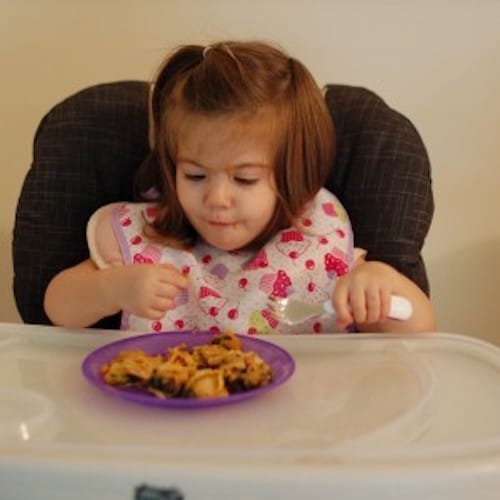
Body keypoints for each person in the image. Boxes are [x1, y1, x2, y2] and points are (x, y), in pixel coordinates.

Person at [44, 40, 436, 334]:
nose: (216, 199)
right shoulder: (145, 239)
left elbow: (421, 334)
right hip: (166, 428)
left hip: (296, 435)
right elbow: (55, 307)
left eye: (245, 179)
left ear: (294, 176)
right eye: (195, 176)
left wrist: (381, 284)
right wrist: (110, 289)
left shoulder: (318, 246)